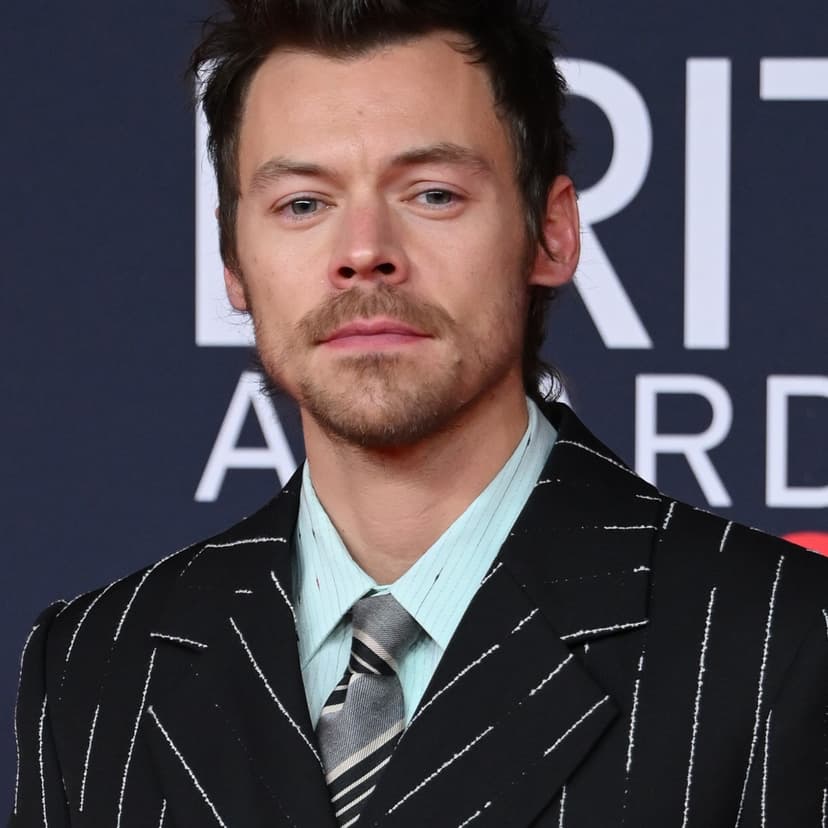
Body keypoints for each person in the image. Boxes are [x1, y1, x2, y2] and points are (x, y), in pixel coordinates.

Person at [11, 1, 828, 825]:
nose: (364, 251)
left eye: (433, 194)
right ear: (232, 258)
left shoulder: (782, 640)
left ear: (551, 233)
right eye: (302, 204)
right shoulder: (93, 669)